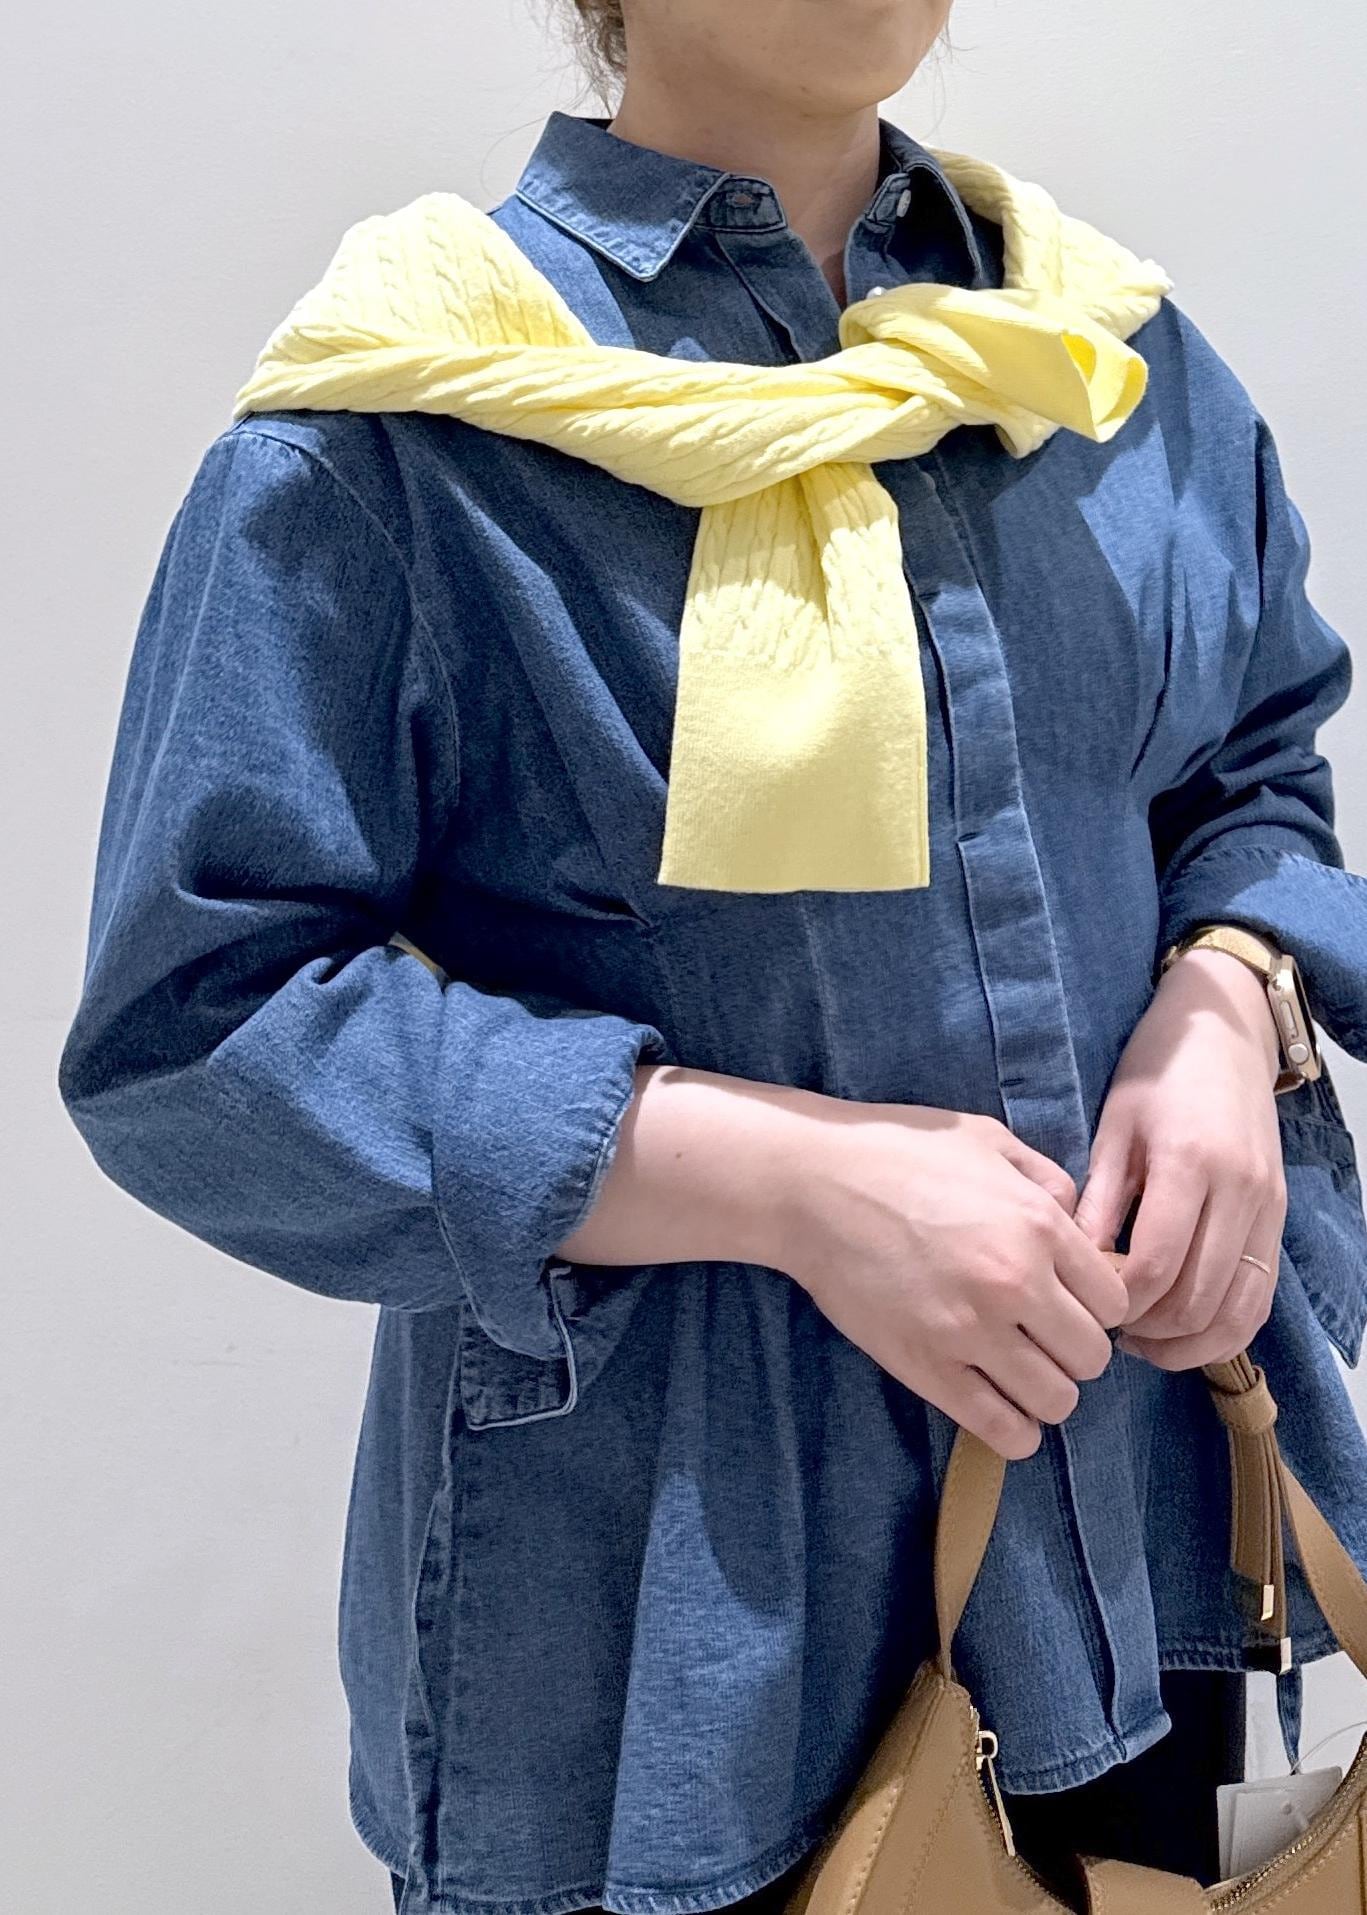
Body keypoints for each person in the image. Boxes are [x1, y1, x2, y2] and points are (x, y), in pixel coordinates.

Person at [57, 0, 1367, 1910]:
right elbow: (200, 1028)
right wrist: (790, 1182)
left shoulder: (1098, 359)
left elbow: (1253, 766)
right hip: (679, 1646)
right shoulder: (405, 425)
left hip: (1148, 1530)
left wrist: (1225, 1003)